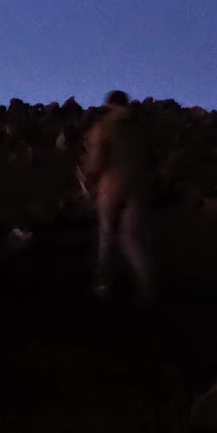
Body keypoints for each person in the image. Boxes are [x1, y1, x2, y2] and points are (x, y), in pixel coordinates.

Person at [81, 90, 153, 302]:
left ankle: (104, 287)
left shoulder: (104, 127)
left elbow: (96, 161)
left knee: (106, 237)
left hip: (111, 186)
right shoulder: (141, 130)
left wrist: (88, 178)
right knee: (132, 239)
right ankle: (147, 290)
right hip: (139, 186)